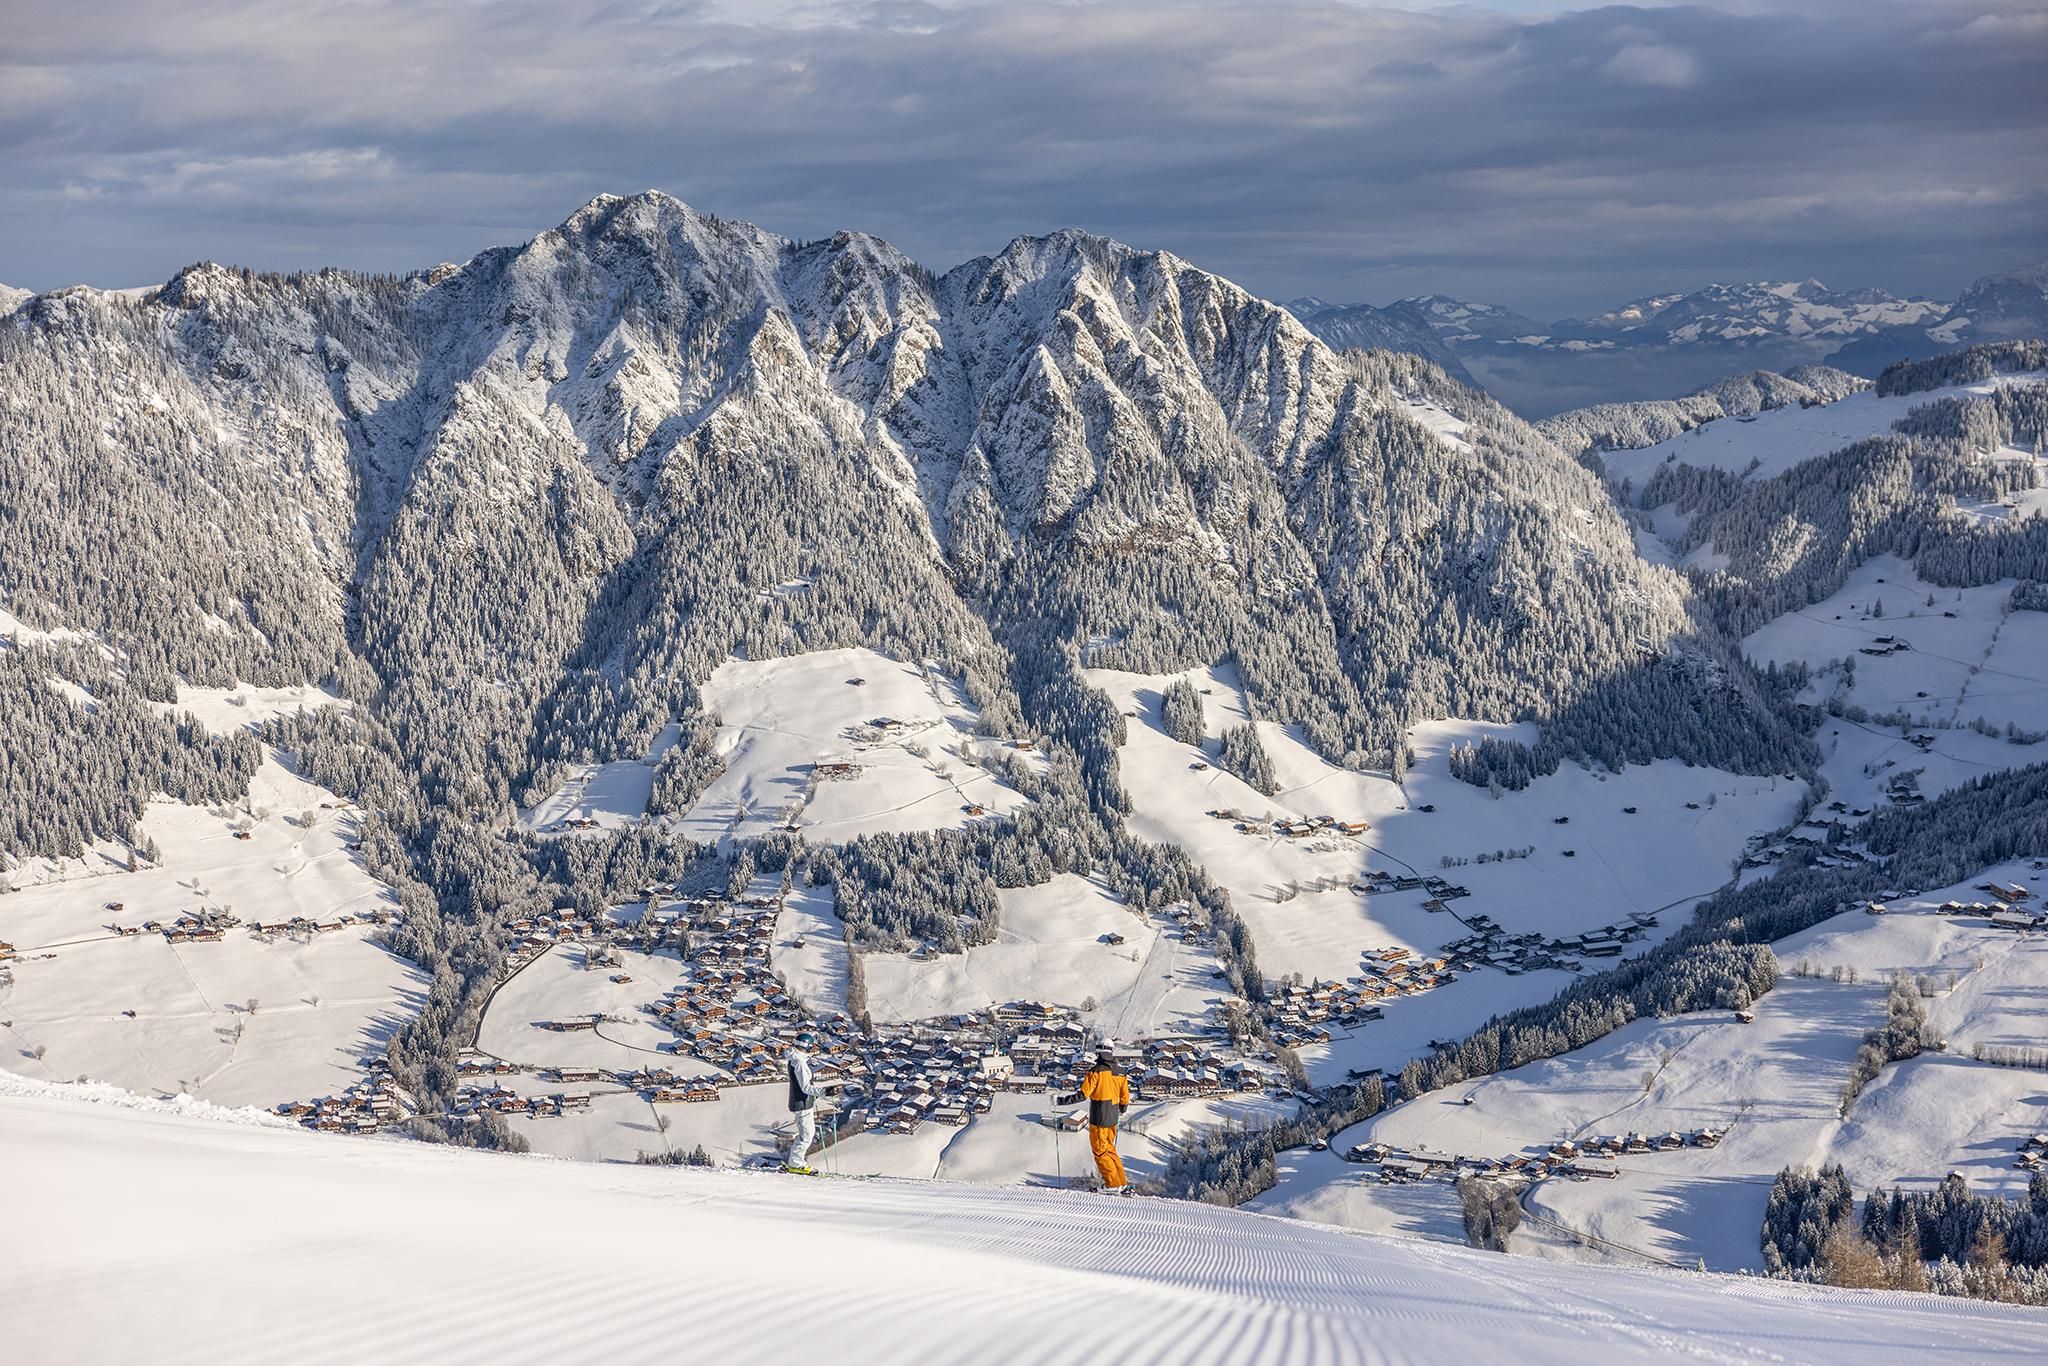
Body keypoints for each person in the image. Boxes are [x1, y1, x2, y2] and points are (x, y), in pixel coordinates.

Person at [1057, 1040, 1131, 1191]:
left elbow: (1083, 1095)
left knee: (1100, 1151)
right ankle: (1121, 1182)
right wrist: (1122, 1109)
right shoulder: (1121, 1072)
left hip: (1099, 1118)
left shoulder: (1095, 1072)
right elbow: (1125, 1096)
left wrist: (1060, 1101)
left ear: (1098, 1052)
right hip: (1112, 1119)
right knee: (1110, 1150)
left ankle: (1112, 1185)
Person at [784, 1029, 836, 1173]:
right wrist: (824, 1091)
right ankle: (795, 1164)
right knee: (806, 1136)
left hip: (802, 1102)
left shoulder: (796, 1060)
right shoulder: (799, 1063)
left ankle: (795, 1162)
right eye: (811, 1047)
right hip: (802, 1103)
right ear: (806, 1046)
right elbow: (805, 1087)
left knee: (807, 1134)